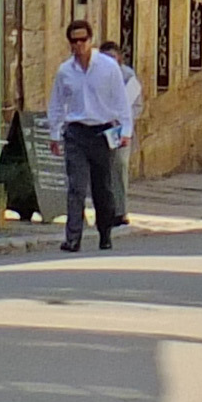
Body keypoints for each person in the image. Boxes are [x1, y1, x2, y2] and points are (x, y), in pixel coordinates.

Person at [46, 20, 128, 251]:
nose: (79, 45)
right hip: (76, 132)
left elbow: (121, 100)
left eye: (83, 40)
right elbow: (56, 103)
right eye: (75, 41)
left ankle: (105, 232)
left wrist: (126, 130)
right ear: (70, 43)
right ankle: (73, 238)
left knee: (103, 187)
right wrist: (54, 134)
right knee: (76, 187)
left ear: (91, 41)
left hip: (103, 131)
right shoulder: (65, 71)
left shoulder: (108, 67)